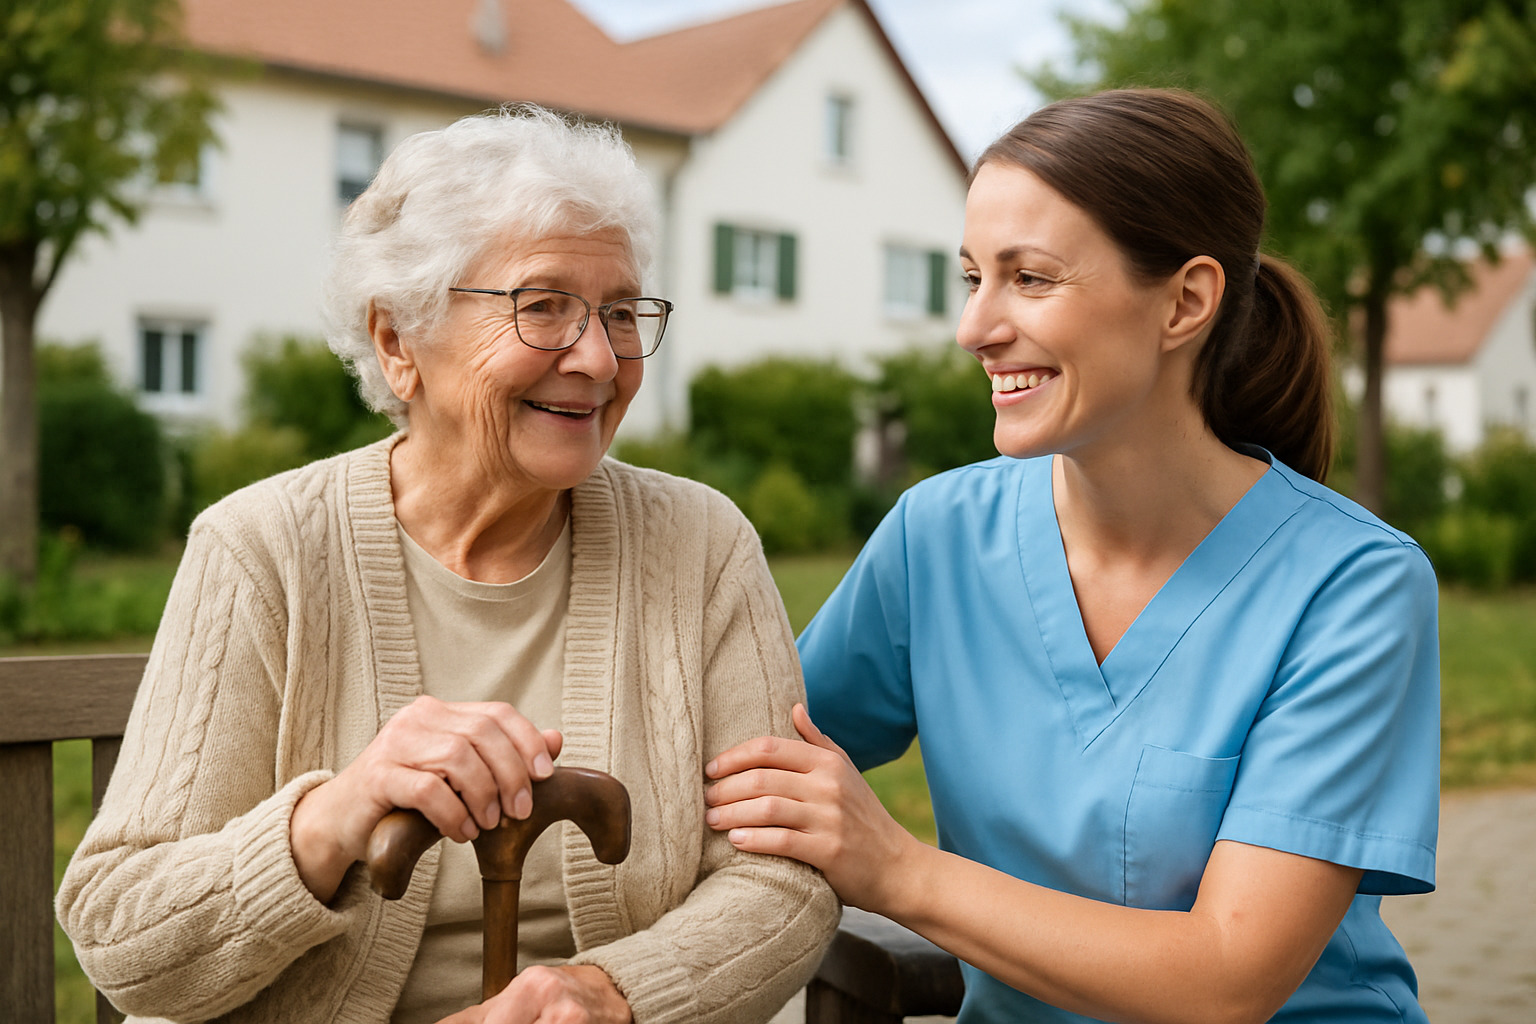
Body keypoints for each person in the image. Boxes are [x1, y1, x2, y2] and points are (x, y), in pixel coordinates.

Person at [57, 106, 837, 1024]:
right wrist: (335, 816)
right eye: (543, 305)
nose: (596, 356)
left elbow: (780, 877)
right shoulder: (262, 548)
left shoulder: (702, 546)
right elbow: (125, 938)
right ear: (398, 342)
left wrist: (606, 995)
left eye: (620, 311)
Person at [704, 89, 1439, 1024]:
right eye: (972, 278)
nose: (975, 328)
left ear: (1186, 301)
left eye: (1031, 279)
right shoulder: (937, 537)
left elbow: (1228, 978)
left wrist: (897, 870)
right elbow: (728, 763)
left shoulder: (1355, 586)